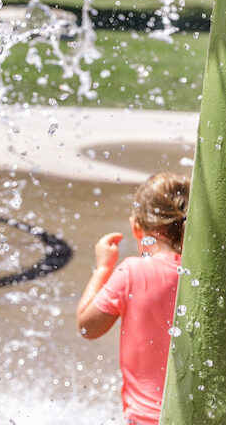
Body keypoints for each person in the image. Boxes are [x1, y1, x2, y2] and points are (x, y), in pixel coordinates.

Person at [76, 172, 190, 425]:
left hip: (143, 419)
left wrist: (104, 268)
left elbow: (87, 326)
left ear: (137, 228)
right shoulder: (200, 276)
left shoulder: (131, 272)